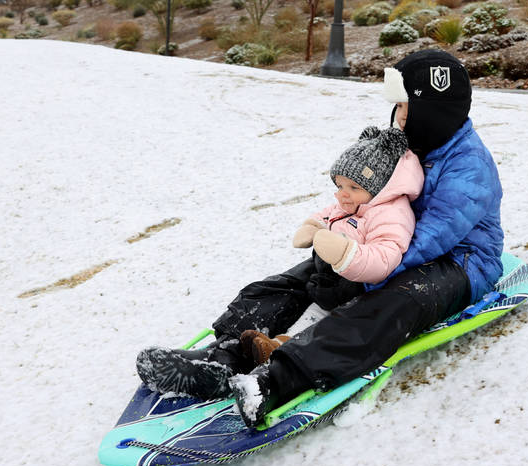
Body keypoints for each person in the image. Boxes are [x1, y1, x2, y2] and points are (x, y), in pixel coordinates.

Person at [138, 49, 504, 428]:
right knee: (301, 279)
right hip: (376, 241)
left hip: (459, 261)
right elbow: (361, 193)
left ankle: (278, 379)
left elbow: (430, 240)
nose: (399, 119)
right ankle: (225, 356)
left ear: (435, 114)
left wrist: (356, 270)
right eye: (398, 110)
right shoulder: (402, 144)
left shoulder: (469, 165)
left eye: (407, 110)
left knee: (393, 303)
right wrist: (335, 241)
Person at [135, 124, 422, 398]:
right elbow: (329, 213)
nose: (342, 194)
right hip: (328, 279)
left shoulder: (391, 214)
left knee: (320, 322)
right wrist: (312, 227)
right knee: (273, 290)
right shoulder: (354, 200)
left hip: (357, 287)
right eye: (339, 185)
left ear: (381, 187)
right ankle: (224, 355)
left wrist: (345, 253)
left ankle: (273, 367)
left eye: (352, 187)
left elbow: (385, 256)